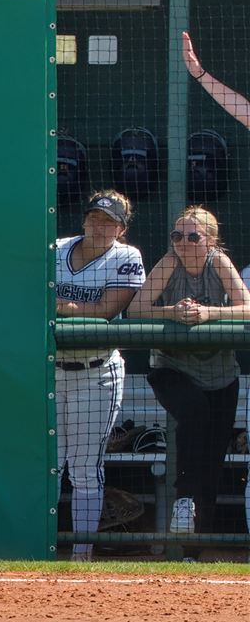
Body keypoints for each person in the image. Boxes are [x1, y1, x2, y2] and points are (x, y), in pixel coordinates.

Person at [127, 204, 250, 537]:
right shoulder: (169, 262)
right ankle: (183, 501)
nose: (183, 242)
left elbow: (248, 308)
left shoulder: (219, 262)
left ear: (210, 240)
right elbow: (136, 309)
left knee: (212, 461)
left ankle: (194, 553)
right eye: (177, 235)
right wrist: (172, 312)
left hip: (221, 375)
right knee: (193, 413)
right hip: (171, 368)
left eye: (193, 236)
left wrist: (209, 314)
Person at [52, 192, 145, 560]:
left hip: (96, 372)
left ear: (121, 228)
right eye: (95, 218)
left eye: (109, 221)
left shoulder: (126, 256)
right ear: (84, 220)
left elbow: (107, 310)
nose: (100, 226)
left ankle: (82, 554)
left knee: (85, 467)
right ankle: (42, 549)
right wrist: (75, 308)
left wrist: (60, 305)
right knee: (50, 464)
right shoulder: (55, 249)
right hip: (52, 369)